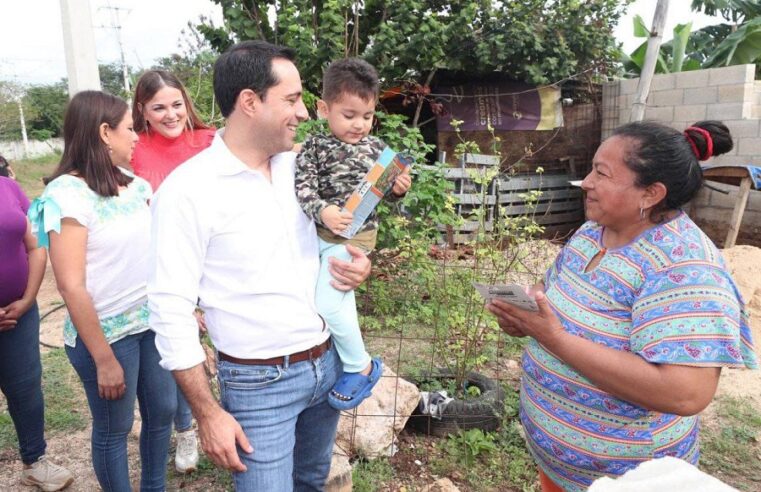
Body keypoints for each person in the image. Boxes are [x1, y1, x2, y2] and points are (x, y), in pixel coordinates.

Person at [148, 40, 372, 491]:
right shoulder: (187, 191)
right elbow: (169, 309)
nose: (306, 113)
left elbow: (343, 230)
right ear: (249, 102)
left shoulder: (301, 168)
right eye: (291, 99)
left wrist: (357, 264)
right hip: (258, 384)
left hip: (325, 365)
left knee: (312, 482)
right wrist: (207, 413)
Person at [487, 120, 758, 492]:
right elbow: (550, 292)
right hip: (561, 468)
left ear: (650, 193)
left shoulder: (683, 267)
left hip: (628, 478)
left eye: (601, 173)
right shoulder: (592, 232)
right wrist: (525, 312)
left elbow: (685, 392)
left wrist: (554, 338)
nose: (586, 182)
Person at [29, 90, 176, 492]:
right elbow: (70, 284)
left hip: (150, 322)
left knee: (162, 412)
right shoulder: (65, 194)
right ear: (104, 132)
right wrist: (103, 357)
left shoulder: (138, 186)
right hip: (107, 335)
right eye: (131, 128)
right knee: (115, 426)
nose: (137, 138)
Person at [295, 58, 411, 410]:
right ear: (323, 108)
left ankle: (359, 365)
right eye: (349, 115)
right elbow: (303, 190)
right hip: (318, 235)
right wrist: (323, 211)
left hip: (355, 239)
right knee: (332, 300)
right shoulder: (313, 147)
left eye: (367, 116)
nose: (359, 124)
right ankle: (333, 365)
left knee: (328, 301)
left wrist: (398, 191)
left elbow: (386, 200)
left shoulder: (378, 151)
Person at [131, 68, 216, 473]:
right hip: (161, 266)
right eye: (159, 107)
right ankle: (185, 428)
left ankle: (220, 421)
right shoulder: (132, 149)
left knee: (214, 354)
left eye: (177, 105)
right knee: (177, 348)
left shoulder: (211, 141)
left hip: (211, 263)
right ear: (142, 111)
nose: (170, 114)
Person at [1, 176, 74, 491]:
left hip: (19, 313)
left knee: (26, 388)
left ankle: (35, 461)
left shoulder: (8, 186)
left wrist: (29, 298)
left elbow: (35, 244)